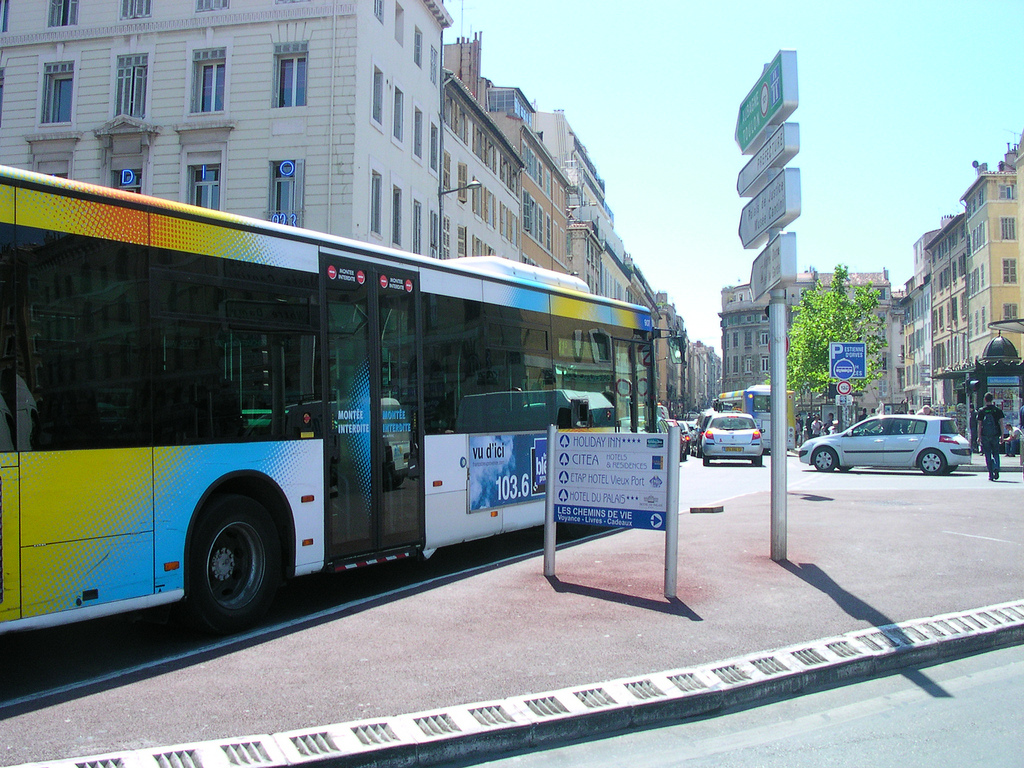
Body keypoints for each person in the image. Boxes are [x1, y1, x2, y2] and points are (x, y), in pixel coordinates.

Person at [977, 393, 1006, 481]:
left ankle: (990, 473)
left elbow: (979, 425)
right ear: (992, 399)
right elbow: (1001, 423)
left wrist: (979, 437)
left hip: (985, 435)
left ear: (985, 400)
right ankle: (996, 467)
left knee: (988, 454)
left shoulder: (981, 411)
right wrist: (1002, 435)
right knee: (996, 453)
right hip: (995, 435)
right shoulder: (997, 410)